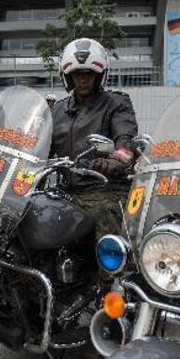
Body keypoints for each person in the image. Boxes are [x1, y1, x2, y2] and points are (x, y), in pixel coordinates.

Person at [50, 38, 138, 242]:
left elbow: (125, 139)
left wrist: (112, 161)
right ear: (68, 77)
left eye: (89, 74)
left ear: (99, 76)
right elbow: (41, 145)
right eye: (77, 74)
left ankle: (113, 273)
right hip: (66, 190)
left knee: (105, 217)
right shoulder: (57, 110)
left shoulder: (116, 104)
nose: (82, 80)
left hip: (103, 189)